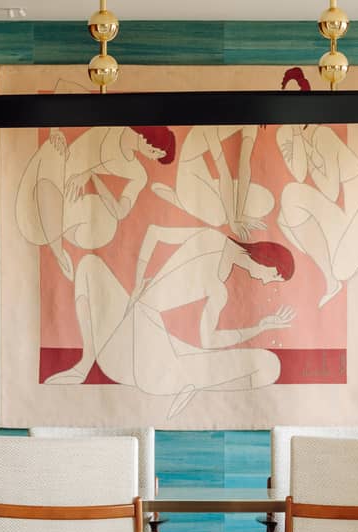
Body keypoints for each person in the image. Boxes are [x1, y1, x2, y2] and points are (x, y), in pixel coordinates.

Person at [45, 226, 298, 420]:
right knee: (90, 264)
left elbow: (208, 341)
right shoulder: (216, 274)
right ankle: (85, 364)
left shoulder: (213, 253)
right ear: (271, 266)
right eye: (272, 278)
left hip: (144, 345)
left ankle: (193, 382)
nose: (265, 283)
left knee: (269, 364)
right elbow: (155, 232)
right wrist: (138, 283)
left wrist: (262, 327)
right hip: (137, 356)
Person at [15, 125, 177, 279]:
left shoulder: (139, 174)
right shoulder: (110, 124)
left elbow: (120, 212)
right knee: (46, 191)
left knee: (107, 224)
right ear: (148, 136)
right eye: (156, 151)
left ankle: (59, 248)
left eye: (157, 156)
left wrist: (92, 175)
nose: (152, 156)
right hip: (51, 173)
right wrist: (54, 130)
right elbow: (65, 99)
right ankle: (59, 254)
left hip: (67, 203)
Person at [275, 122, 358, 307]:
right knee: (287, 210)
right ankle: (332, 279)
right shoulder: (303, 142)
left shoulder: (322, 135)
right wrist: (297, 142)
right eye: (285, 149)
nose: (289, 152)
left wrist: (304, 148)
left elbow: (331, 191)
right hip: (352, 214)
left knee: (341, 270)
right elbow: (300, 175)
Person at [150, 125, 272, 240]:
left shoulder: (251, 124)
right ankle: (180, 199)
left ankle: (193, 199)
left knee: (267, 200)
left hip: (202, 169)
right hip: (188, 173)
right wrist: (233, 222)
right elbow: (224, 173)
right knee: (220, 218)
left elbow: (244, 168)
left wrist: (239, 216)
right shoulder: (209, 126)